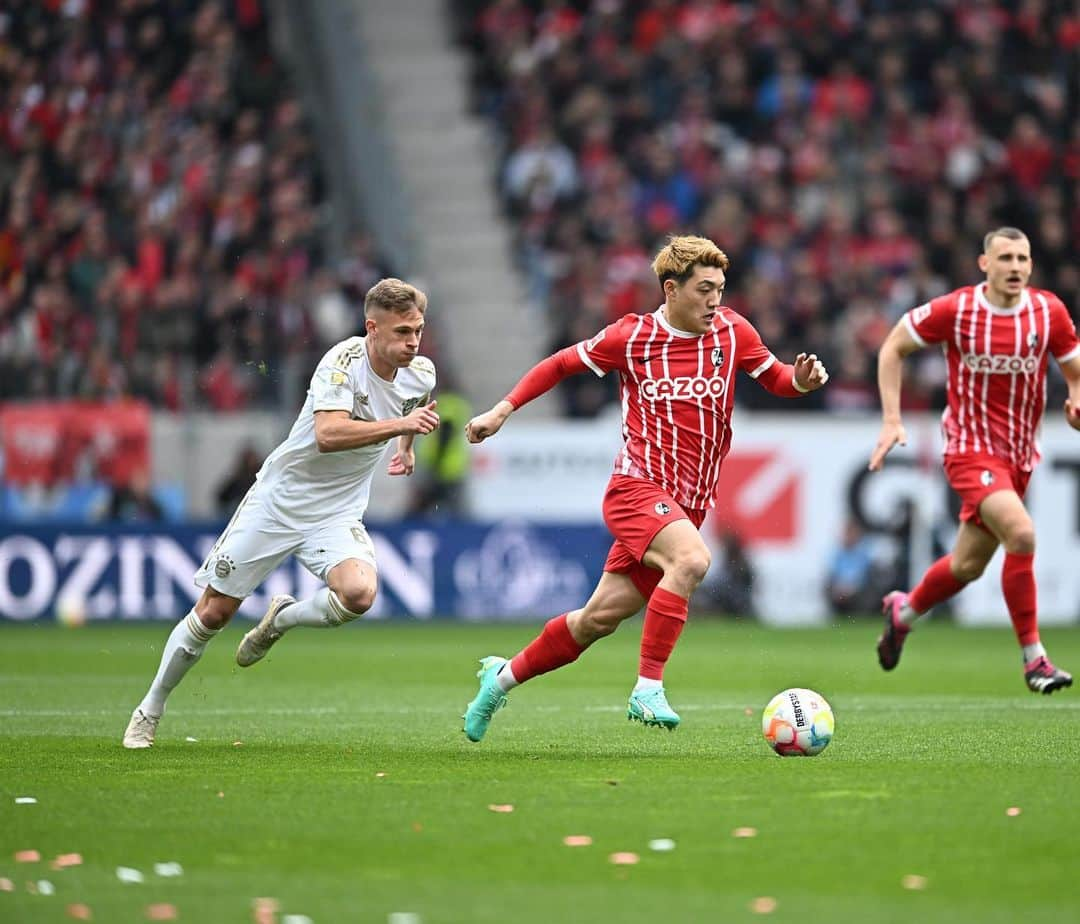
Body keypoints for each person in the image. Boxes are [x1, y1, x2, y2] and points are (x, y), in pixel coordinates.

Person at [461, 235, 829, 741]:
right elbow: (560, 364)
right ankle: (647, 687)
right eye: (704, 289)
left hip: (687, 504)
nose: (715, 299)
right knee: (693, 561)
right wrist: (502, 410)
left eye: (720, 288)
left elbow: (778, 379)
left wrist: (803, 381)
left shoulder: (733, 333)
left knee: (596, 620)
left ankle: (498, 680)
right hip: (637, 489)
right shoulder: (631, 338)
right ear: (671, 289)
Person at [122, 278, 439, 748]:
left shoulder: (422, 372)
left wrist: (407, 446)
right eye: (401, 333)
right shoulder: (339, 364)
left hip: (336, 511)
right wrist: (401, 427)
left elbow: (413, 406)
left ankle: (281, 620)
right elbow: (329, 434)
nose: (412, 342)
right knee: (214, 612)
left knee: (360, 593)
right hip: (280, 503)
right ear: (372, 328)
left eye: (417, 330)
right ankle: (150, 708)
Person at [869, 227, 1080, 694]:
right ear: (985, 264)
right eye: (1005, 258)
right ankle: (1035, 660)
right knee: (1021, 533)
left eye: (1023, 258)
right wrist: (891, 419)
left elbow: (1074, 369)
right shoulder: (958, 310)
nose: (1016, 267)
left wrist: (1076, 401)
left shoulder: (1049, 312)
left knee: (967, 565)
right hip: (969, 448)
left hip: (1020, 457)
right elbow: (893, 347)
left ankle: (902, 612)